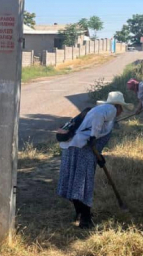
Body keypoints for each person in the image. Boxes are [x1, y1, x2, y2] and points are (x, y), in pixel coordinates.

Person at [57, 91, 133, 229]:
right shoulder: (110, 109)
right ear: (118, 106)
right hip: (81, 150)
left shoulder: (102, 110)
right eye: (122, 108)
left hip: (75, 148)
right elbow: (96, 128)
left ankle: (80, 214)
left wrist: (99, 157)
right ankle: (85, 219)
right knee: (83, 184)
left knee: (75, 182)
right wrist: (93, 136)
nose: (121, 111)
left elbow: (95, 139)